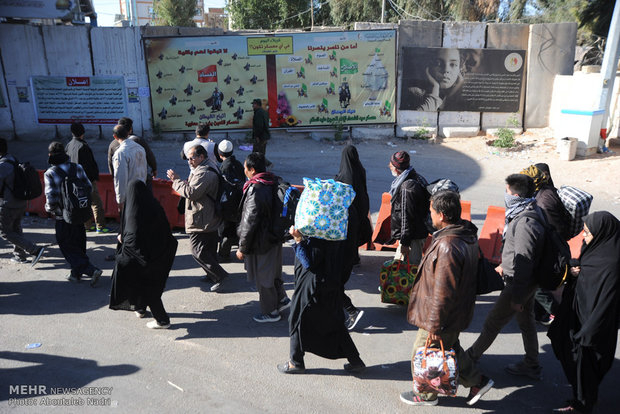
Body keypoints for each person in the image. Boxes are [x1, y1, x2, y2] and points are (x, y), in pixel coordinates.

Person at [400, 191, 493, 407]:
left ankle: (425, 395)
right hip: (456, 312)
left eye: (431, 211)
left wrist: (434, 325)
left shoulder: (448, 245)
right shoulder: (464, 235)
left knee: (423, 350)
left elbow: (444, 291)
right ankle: (478, 382)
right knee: (450, 348)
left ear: (441, 215)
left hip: (443, 315)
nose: (429, 215)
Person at [466, 174, 545, 380]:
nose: (505, 195)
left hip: (519, 283)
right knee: (526, 321)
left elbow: (524, 260)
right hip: (522, 280)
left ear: (516, 195)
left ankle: (471, 357)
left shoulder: (525, 222)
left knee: (493, 322)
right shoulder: (526, 211)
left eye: (507, 192)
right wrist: (504, 264)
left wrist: (518, 297)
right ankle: (532, 363)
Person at [548, 211, 620, 413]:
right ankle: (580, 399)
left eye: (587, 233)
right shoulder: (594, 251)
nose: (584, 237)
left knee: (586, 365)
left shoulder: (612, 264)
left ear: (602, 233)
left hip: (594, 324)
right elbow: (584, 279)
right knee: (564, 346)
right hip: (577, 315)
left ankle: (582, 404)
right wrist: (574, 272)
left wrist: (589, 330)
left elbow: (607, 302)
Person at [277, 226, 365, 374]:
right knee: (334, 320)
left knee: (298, 317)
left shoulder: (320, 231)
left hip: (313, 283)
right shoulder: (336, 224)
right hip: (330, 278)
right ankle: (355, 360)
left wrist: (298, 240)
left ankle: (296, 362)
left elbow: (309, 262)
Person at [109, 180, 178, 329]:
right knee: (144, 284)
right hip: (160, 254)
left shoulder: (133, 211)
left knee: (147, 287)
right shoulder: (154, 206)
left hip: (144, 257)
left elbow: (132, 236)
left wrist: (123, 244)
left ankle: (162, 320)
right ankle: (140, 308)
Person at [168, 145, 229, 292]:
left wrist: (176, 181)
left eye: (192, 158)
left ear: (201, 157)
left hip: (202, 218)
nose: (189, 161)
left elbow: (191, 193)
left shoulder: (204, 173)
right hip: (208, 215)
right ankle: (211, 274)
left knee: (197, 251)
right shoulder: (206, 167)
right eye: (188, 158)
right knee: (209, 248)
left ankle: (220, 276)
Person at [236, 152, 289, 322]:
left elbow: (249, 221)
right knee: (273, 272)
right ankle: (281, 299)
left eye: (245, 167)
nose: (244, 170)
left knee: (264, 276)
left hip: (261, 241)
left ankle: (270, 312)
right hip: (275, 236)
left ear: (252, 170)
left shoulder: (256, 188)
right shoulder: (273, 181)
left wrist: (242, 247)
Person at [520, 163, 572, 325]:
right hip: (550, 247)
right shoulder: (546, 192)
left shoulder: (543, 200)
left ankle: (556, 313)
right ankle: (539, 313)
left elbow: (550, 227)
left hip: (548, 248)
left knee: (535, 282)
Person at [44, 142, 102, 285]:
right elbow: (88, 187)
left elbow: (51, 197)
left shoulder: (50, 173)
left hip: (63, 216)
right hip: (79, 214)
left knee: (67, 246)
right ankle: (75, 274)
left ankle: (90, 270)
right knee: (78, 244)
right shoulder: (77, 167)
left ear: (50, 155)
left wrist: (49, 209)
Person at [334, 145, 372, 330]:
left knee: (332, 282)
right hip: (356, 226)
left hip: (345, 234)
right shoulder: (359, 172)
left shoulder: (344, 181)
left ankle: (350, 310)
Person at [0, 138, 44, 265]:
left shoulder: (2, 166)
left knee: (5, 232)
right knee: (15, 228)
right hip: (21, 202)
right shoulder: (12, 159)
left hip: (8, 205)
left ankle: (34, 249)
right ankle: (19, 255)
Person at [65, 122, 109, 233]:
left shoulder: (69, 145)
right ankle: (100, 226)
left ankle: (87, 226)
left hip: (75, 181)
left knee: (83, 203)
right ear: (83, 132)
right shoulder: (83, 146)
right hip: (87, 180)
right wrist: (94, 178)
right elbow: (90, 165)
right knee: (96, 203)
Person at [388, 150, 430, 266]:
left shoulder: (407, 186)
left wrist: (405, 243)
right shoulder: (416, 178)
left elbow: (407, 215)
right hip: (414, 234)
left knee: (408, 272)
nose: (389, 166)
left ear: (396, 168)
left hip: (413, 238)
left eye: (390, 164)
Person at [216, 139, 245, 262]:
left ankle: (224, 255)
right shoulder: (238, 164)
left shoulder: (223, 168)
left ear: (219, 154)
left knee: (226, 231)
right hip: (239, 202)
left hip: (228, 204)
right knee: (237, 227)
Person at [108, 117, 157, 183]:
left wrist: (114, 177)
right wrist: (154, 169)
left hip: (123, 180)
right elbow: (149, 156)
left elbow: (110, 163)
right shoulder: (138, 140)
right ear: (130, 129)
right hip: (140, 179)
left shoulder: (112, 144)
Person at [111, 124, 147, 211]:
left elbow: (120, 178)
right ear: (128, 134)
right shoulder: (140, 148)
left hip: (130, 195)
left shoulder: (120, 153)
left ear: (115, 136)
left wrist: (120, 200)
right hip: (142, 190)